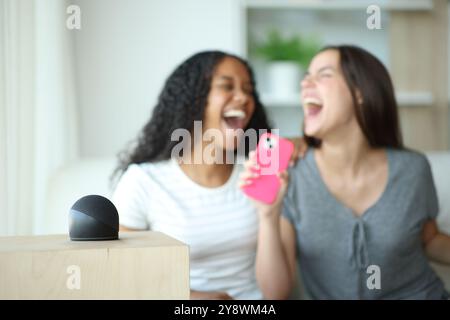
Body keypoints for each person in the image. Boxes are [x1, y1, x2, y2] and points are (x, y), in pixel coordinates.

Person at [240, 45, 450, 299]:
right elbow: (275, 294)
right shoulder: (289, 173)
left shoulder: (413, 168)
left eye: (324, 74)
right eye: (306, 76)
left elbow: (428, 239)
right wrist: (268, 216)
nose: (305, 83)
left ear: (360, 92)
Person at [111, 50, 305, 300]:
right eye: (227, 86)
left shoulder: (262, 173)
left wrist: (268, 216)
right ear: (194, 100)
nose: (243, 97)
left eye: (248, 89)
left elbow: (277, 294)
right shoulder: (145, 182)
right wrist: (190, 297)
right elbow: (123, 274)